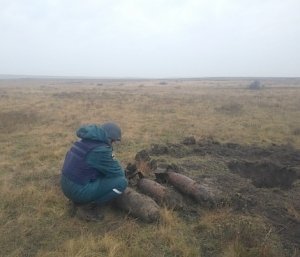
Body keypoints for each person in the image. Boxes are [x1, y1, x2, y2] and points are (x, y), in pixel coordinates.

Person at [60, 122, 128, 221]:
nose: (112, 144)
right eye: (113, 141)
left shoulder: (83, 141)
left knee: (101, 174)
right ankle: (86, 207)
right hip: (77, 190)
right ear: (109, 138)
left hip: (66, 185)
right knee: (122, 182)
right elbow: (119, 174)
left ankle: (77, 200)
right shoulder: (100, 150)